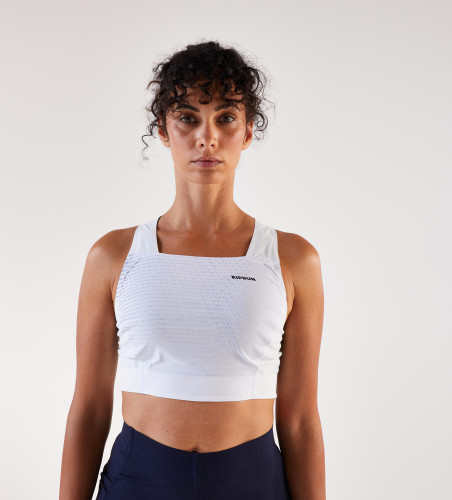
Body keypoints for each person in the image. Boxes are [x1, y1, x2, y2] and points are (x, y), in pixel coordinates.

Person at [59, 40, 325, 500]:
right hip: (139, 482)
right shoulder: (114, 256)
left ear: (248, 131)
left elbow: (300, 420)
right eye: (187, 117)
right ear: (163, 130)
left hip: (253, 483)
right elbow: (89, 409)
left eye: (225, 117)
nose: (207, 137)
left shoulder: (293, 259)